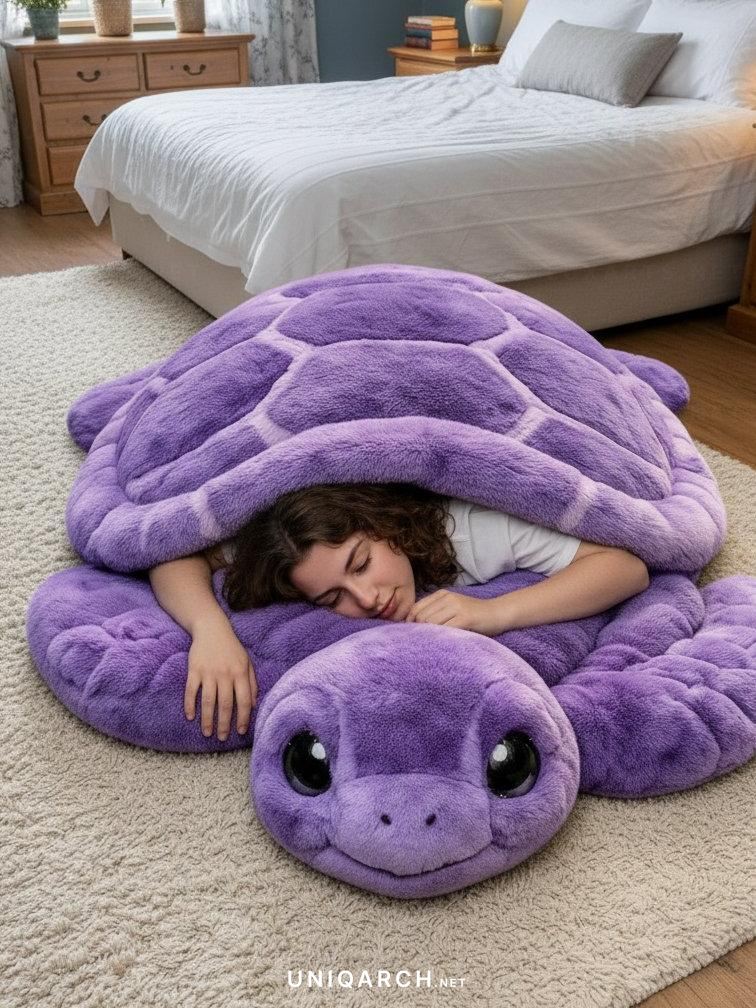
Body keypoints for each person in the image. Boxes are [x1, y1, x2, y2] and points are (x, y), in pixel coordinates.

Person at [149, 483, 649, 743]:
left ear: (385, 524)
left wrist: (494, 612)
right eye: (333, 599)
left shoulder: (472, 528)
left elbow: (626, 567)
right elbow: (173, 555)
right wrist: (210, 630)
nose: (366, 598)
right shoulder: (292, 545)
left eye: (361, 563)